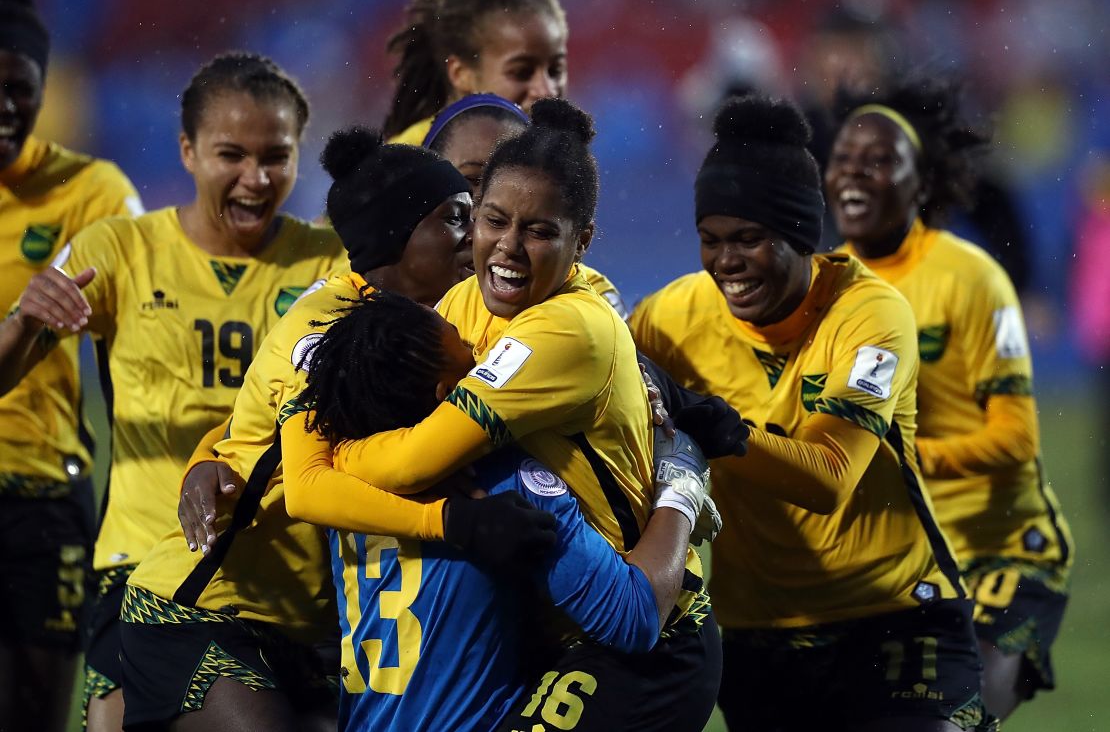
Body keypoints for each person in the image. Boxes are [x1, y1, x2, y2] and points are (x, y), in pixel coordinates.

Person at [124, 127, 555, 731]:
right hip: (211, 609)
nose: (476, 238)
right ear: (398, 237)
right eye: (457, 218)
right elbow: (305, 486)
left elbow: (248, 424)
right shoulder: (326, 330)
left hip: (315, 632)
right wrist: (452, 523)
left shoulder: (426, 319)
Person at [318, 98, 721, 732]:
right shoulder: (459, 303)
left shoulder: (563, 334)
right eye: (494, 221)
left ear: (581, 240)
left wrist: (682, 484)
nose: (507, 248)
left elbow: (412, 457)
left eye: (538, 230)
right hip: (563, 626)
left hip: (642, 635)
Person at [0, 51, 346, 731]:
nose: (256, 177)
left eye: (276, 155)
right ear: (187, 151)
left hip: (292, 590)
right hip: (146, 572)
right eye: (231, 155)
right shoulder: (119, 250)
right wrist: (24, 320)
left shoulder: (330, 264)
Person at [630, 95, 989, 732]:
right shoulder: (668, 319)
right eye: (710, 241)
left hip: (897, 617)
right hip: (756, 637)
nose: (726, 264)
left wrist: (701, 416)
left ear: (801, 235)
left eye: (749, 239)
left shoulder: (870, 316)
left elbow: (825, 477)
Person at [292, 288, 709, 731]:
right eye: (465, 346)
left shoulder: (342, 477)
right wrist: (681, 481)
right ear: (446, 393)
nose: (479, 351)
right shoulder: (500, 482)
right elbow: (633, 618)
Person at [827, 79, 1073, 721]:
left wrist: (911, 462)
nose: (854, 177)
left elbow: (1017, 439)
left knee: (950, 716)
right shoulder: (824, 286)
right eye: (844, 161)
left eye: (877, 163)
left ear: (922, 182)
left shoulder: (974, 278)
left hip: (1003, 551)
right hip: (900, 565)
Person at [0, 0, 142, 732]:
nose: (3, 108)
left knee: (36, 713)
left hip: (41, 494)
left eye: (19, 89)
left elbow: (148, 332)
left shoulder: (90, 192)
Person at [424, 92, 628, 316]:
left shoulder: (586, 306)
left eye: (539, 231)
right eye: (471, 182)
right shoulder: (387, 272)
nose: (508, 244)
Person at [383, 0, 566, 145]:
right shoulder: (407, 163)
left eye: (555, 71)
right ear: (460, 74)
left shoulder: (553, 156)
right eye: (521, 72)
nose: (547, 91)